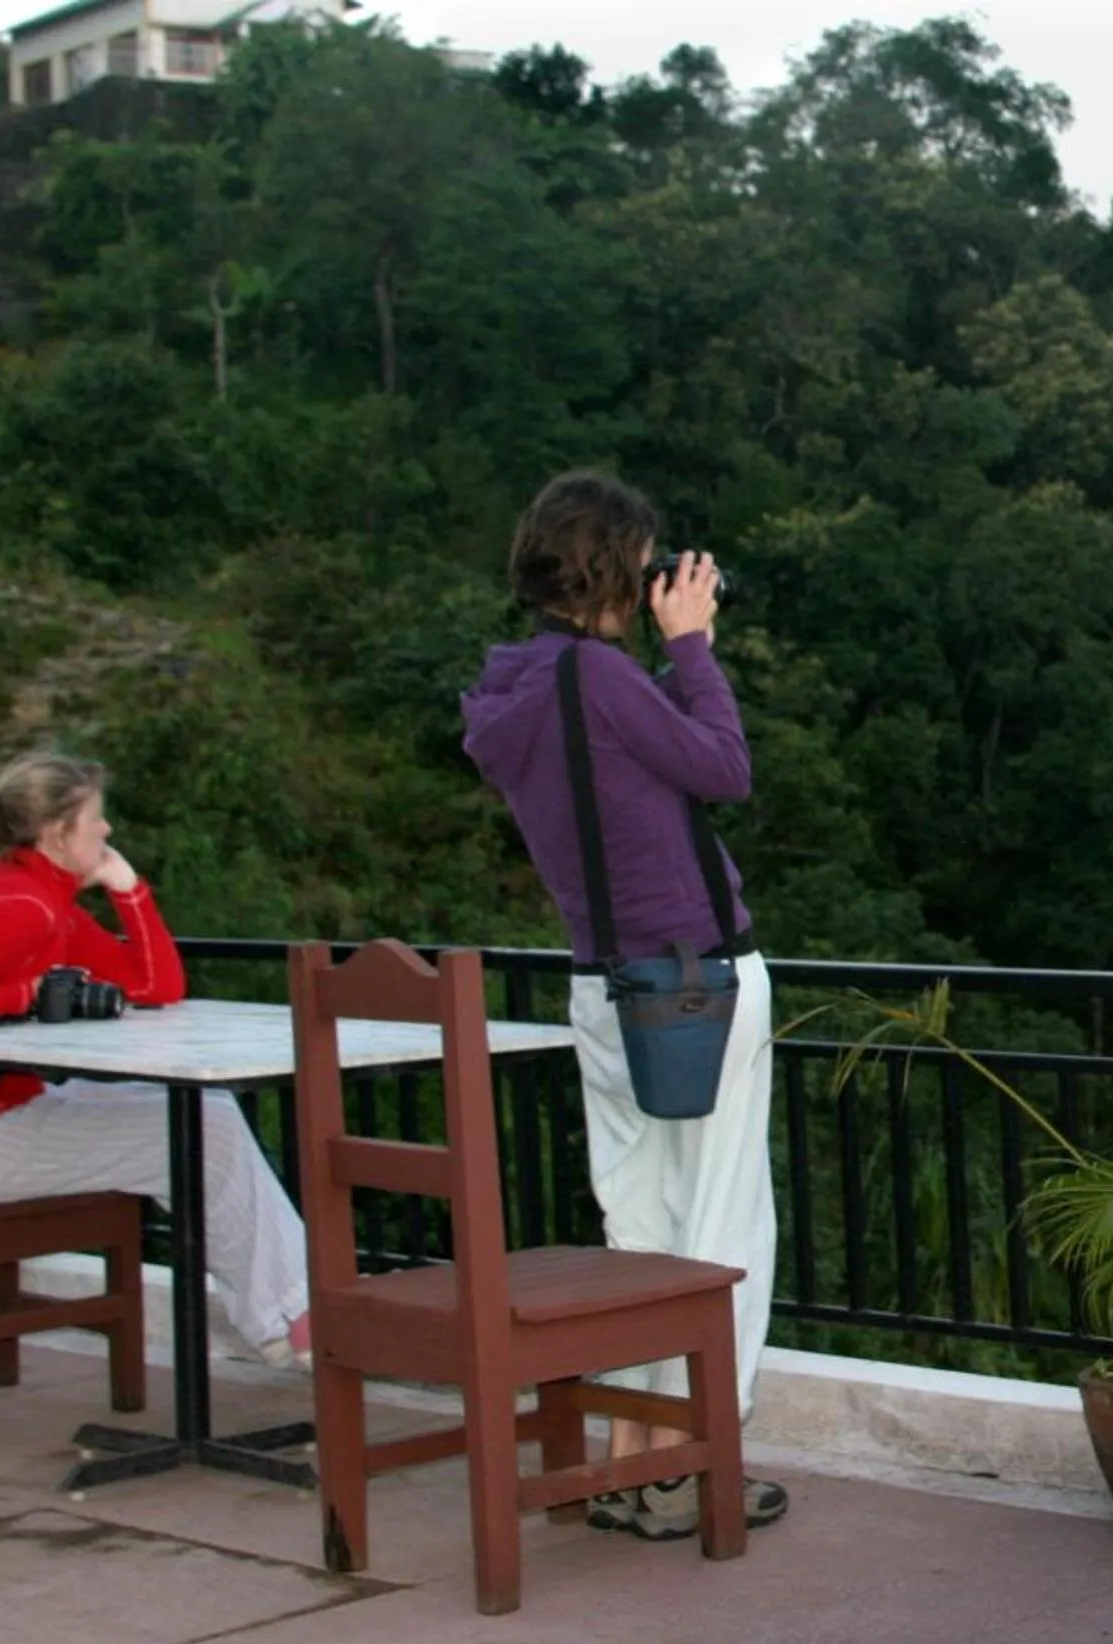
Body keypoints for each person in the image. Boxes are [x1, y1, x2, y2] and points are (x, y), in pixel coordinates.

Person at [461, 470, 785, 1543]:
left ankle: (632, 1464)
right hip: (697, 978)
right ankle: (699, 1468)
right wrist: (689, 644)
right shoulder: (602, 682)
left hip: (603, 987)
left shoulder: (516, 686)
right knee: (722, 1225)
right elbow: (724, 770)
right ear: (614, 572)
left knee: (640, 1228)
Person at [0, 752, 313, 1367]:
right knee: (203, 1129)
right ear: (58, 834)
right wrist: (22, 997)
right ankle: (290, 1320)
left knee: (202, 1113)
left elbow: (156, 985)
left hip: (5, 1114)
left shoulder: (43, 900)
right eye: (95, 821)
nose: (106, 831)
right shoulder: (19, 909)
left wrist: (129, 890)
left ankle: (286, 1317)